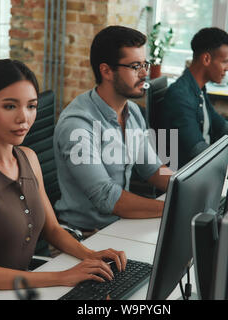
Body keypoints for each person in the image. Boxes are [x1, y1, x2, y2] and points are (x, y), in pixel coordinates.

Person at [0, 59, 126, 300]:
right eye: (10, 107)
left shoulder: (28, 157)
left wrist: (89, 255)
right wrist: (63, 276)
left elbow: (51, 229)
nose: (24, 118)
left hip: (21, 287)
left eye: (31, 106)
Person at [54, 26, 172, 232]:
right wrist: (175, 207)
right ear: (107, 71)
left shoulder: (132, 111)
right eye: (136, 66)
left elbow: (152, 169)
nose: (145, 73)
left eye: (145, 64)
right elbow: (107, 198)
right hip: (83, 236)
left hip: (118, 226)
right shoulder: (77, 124)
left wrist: (191, 189)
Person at [160, 27, 228, 167]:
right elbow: (200, 153)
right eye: (225, 61)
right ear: (206, 59)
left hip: (203, 169)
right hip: (189, 175)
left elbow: (225, 128)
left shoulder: (197, 89)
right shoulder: (180, 96)